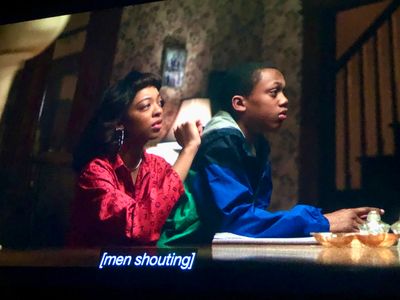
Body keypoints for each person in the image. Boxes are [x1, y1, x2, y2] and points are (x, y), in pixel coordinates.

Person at [158, 62, 383, 246]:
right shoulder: (222, 140)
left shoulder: (257, 143)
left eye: (283, 92)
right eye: (274, 92)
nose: (284, 100)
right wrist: (322, 221)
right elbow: (235, 219)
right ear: (239, 103)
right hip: (185, 246)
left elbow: (252, 213)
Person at [68, 70, 202, 247]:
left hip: (143, 267)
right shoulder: (96, 173)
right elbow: (142, 226)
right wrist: (189, 149)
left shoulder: (157, 166)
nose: (158, 111)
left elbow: (182, 220)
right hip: (93, 268)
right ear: (120, 122)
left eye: (159, 103)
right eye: (146, 106)